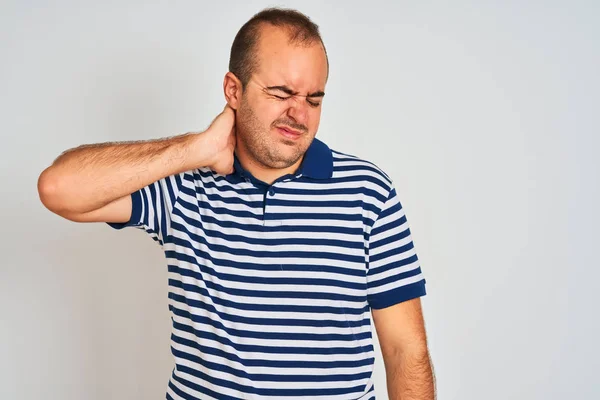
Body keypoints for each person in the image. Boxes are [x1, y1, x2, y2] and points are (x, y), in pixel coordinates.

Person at [37, 7, 435, 400]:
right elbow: (58, 188)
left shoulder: (367, 191)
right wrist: (195, 148)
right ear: (234, 90)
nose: (299, 113)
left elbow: (406, 352)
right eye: (281, 93)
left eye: (313, 99)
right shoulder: (183, 186)